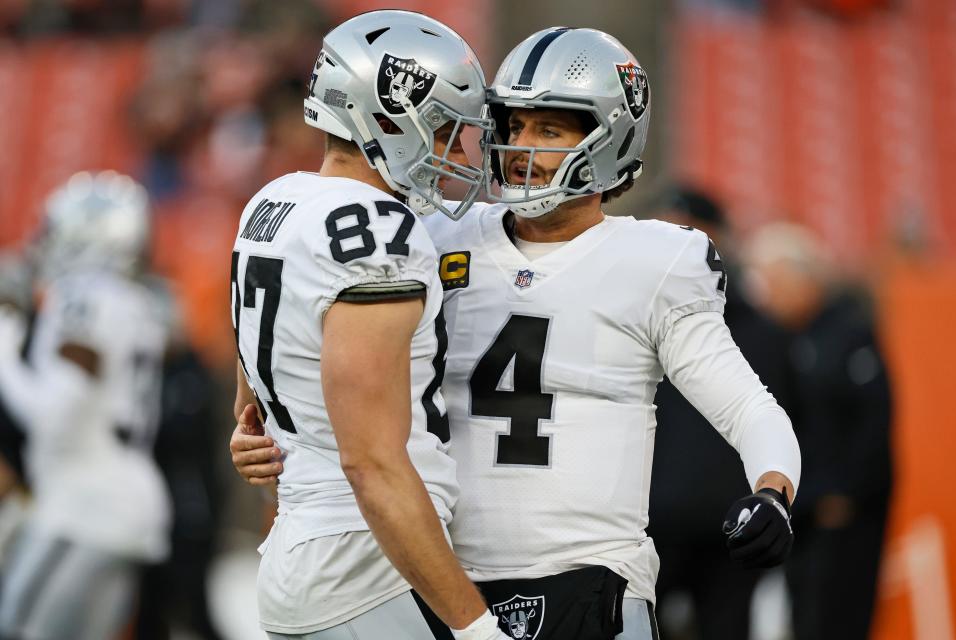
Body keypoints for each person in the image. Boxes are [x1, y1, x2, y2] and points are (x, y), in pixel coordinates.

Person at [232, 27, 802, 640]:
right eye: (512, 126)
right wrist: (265, 428)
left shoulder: (656, 262)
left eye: (549, 130)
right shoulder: (431, 234)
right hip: (447, 582)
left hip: (589, 577)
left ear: (609, 140)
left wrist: (771, 491)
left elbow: (749, 408)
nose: (520, 147)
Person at [229, 10, 509, 640]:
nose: (455, 155)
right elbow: (372, 464)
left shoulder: (273, 202)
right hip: (369, 564)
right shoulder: (377, 230)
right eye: (443, 132)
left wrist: (255, 433)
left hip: (302, 551)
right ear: (388, 121)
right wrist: (475, 628)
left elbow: (252, 397)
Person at [0, 171, 172, 640]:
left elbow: (53, 414)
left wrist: (4, 352)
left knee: (19, 630)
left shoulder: (85, 299)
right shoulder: (134, 304)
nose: (45, 242)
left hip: (85, 506)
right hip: (120, 503)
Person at [644, 187, 793, 640]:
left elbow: (779, 415)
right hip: (649, 520)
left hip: (731, 520)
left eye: (688, 232)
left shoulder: (763, 328)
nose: (676, 245)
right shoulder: (631, 316)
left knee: (726, 628)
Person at [743, 223, 893, 640]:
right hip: (801, 507)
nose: (765, 296)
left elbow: (874, 421)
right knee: (801, 613)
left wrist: (846, 492)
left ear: (802, 277)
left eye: (772, 282)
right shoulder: (778, 339)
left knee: (836, 614)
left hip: (842, 512)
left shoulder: (848, 332)